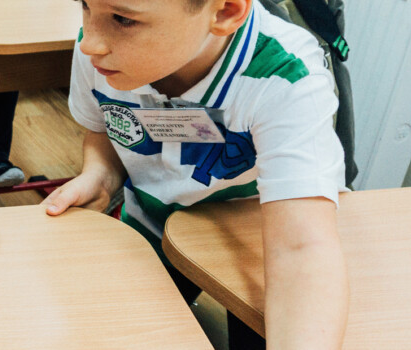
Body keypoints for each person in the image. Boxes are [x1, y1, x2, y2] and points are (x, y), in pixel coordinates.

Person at [42, 0, 348, 347]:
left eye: (123, 19)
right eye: (84, 5)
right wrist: (99, 173)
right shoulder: (99, 51)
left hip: (258, 246)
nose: (89, 43)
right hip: (151, 226)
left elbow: (301, 249)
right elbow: (104, 128)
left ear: (226, 11)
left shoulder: (286, 75)